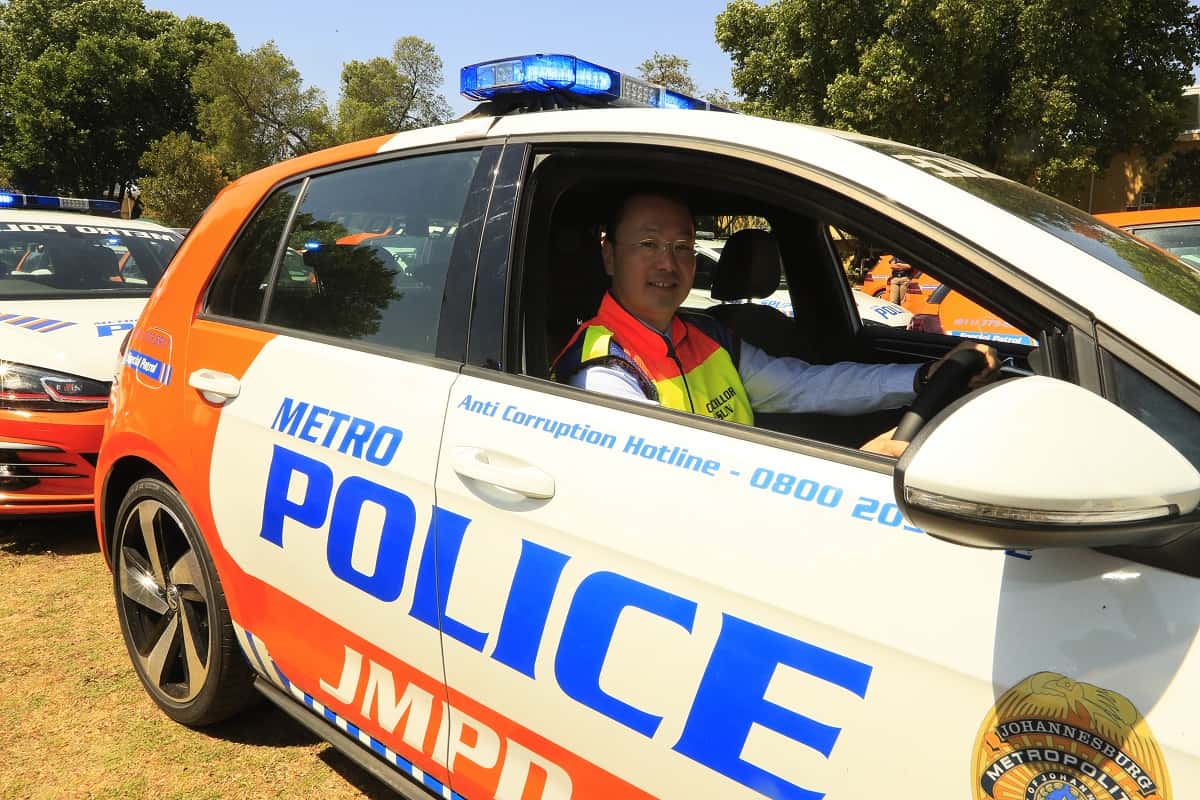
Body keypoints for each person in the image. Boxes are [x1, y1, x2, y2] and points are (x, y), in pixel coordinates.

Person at [551, 191, 999, 454]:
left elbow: (806, 386)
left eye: (682, 246)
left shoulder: (706, 336)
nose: (668, 263)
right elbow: (669, 485)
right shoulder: (603, 369)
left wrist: (922, 378)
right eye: (648, 244)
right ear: (609, 256)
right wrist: (848, 474)